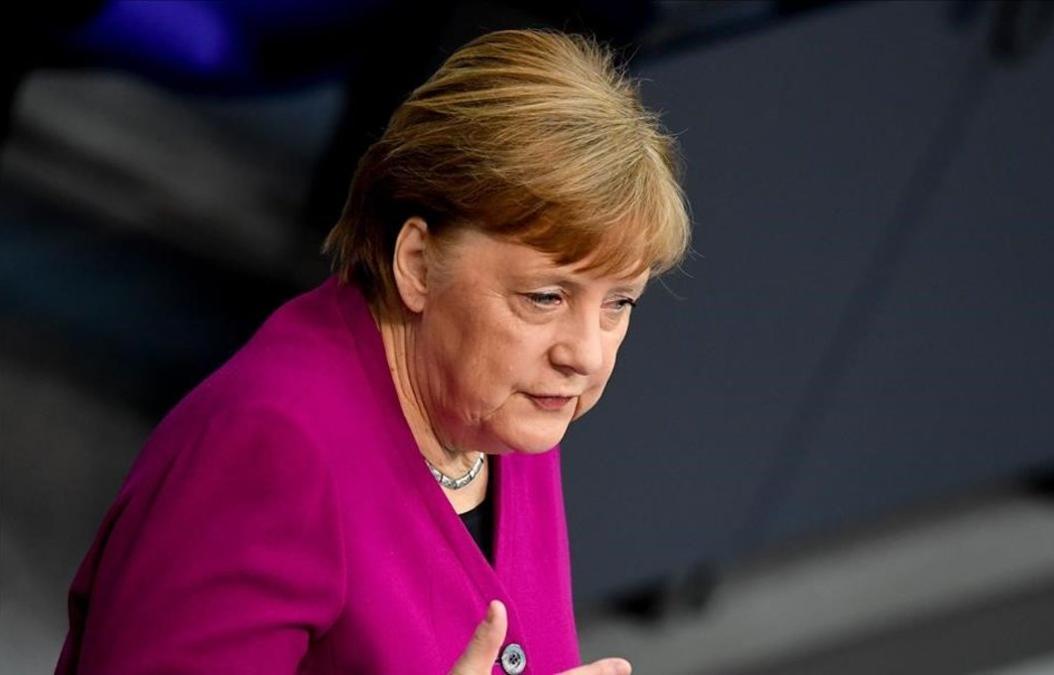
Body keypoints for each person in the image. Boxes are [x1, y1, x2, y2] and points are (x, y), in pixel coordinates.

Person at [55, 28, 689, 675]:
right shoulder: (268, 449)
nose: (585, 352)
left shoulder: (504, 409)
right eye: (545, 296)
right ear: (417, 263)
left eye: (620, 303)